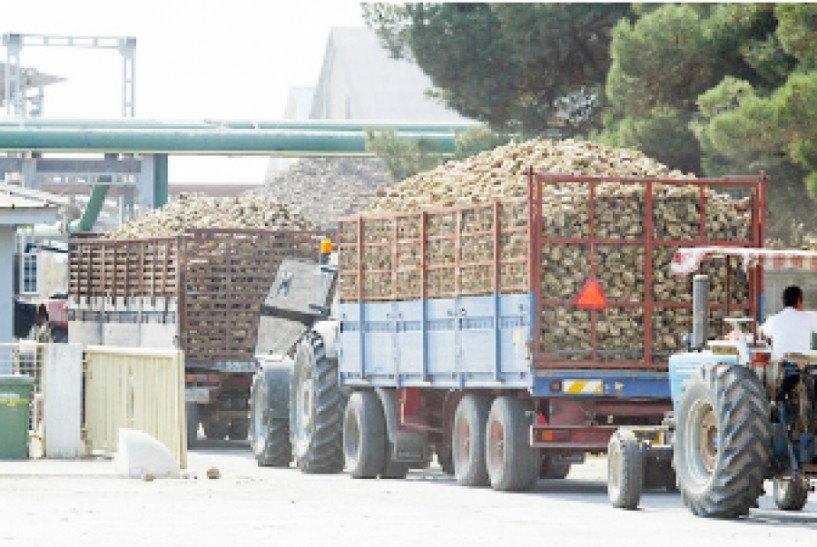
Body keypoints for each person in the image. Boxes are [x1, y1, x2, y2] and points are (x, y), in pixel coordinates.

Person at [760, 285, 817, 359]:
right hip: (802, 364)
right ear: (799, 300)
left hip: (779, 365)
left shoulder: (774, 319)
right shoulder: (809, 317)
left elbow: (762, 332)